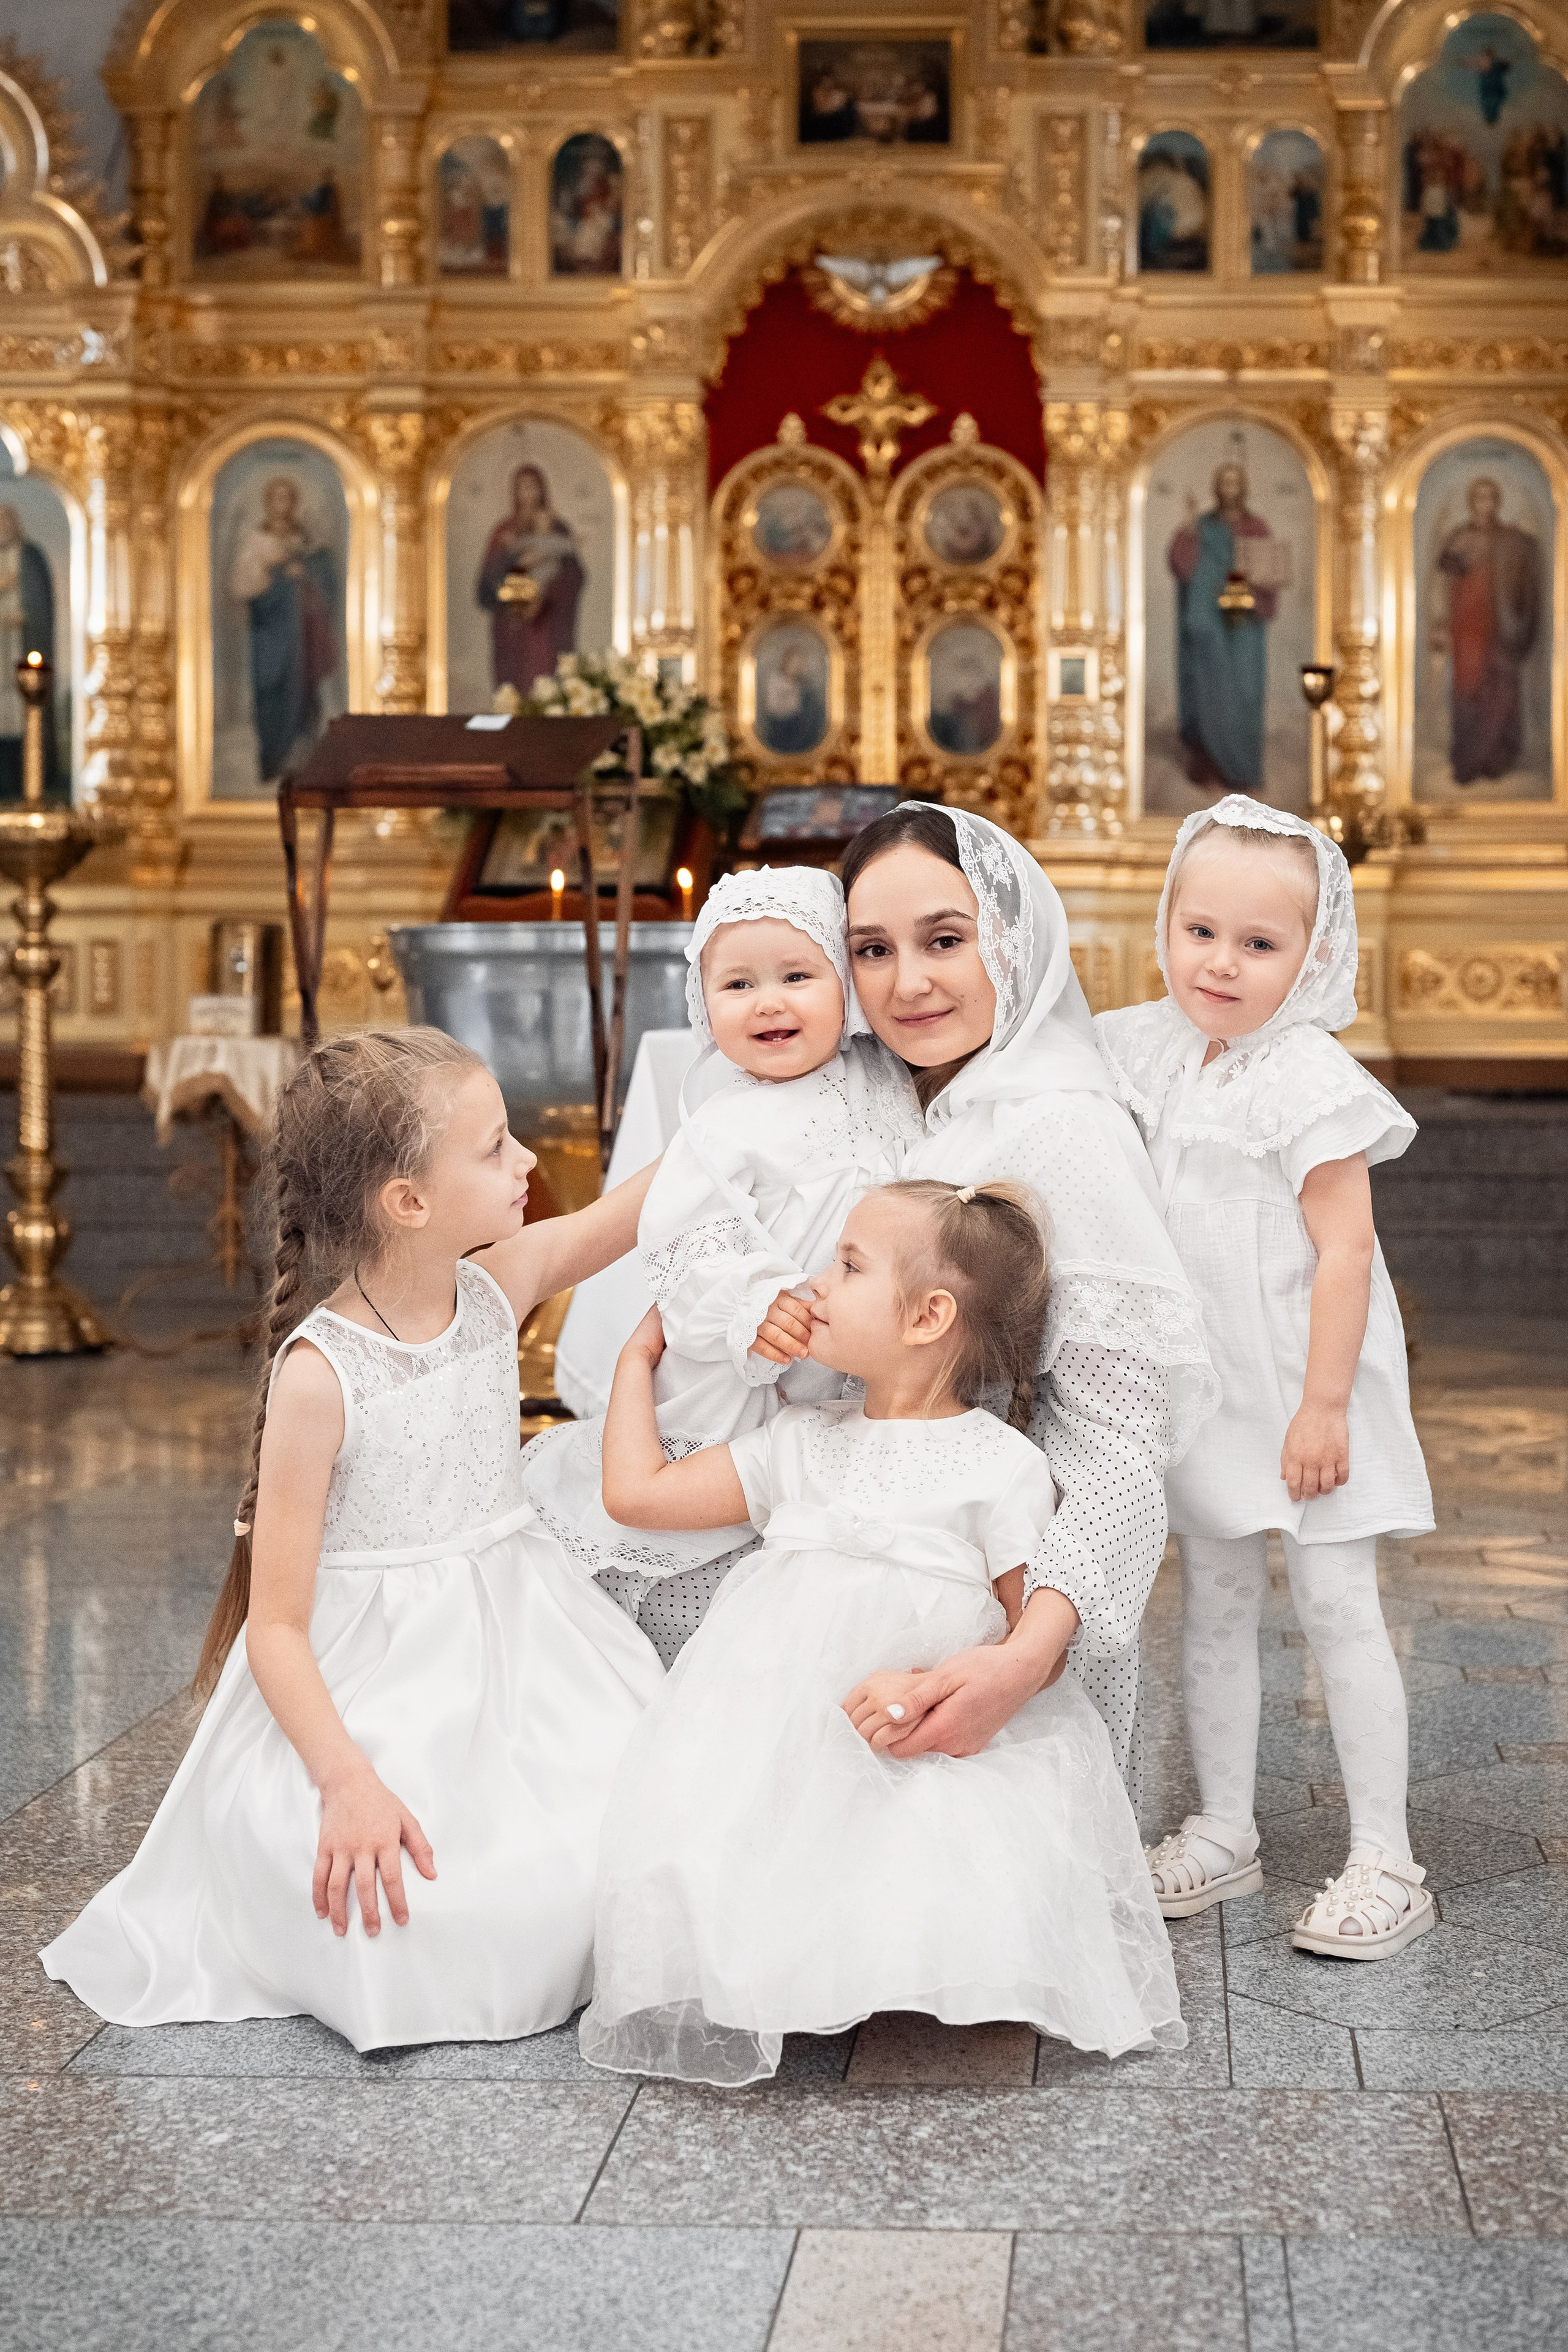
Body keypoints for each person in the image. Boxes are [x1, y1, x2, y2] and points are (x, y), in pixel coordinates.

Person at [42, 1030, 665, 2051]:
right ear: (408, 1202)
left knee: (622, 1842)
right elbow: (277, 1627)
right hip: (379, 1687)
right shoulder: (320, 1378)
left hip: (532, 1642)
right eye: (497, 1146)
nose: (529, 1164)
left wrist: (763, 1096)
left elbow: (617, 1217)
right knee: (448, 1910)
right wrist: (349, 1782)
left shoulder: (492, 1291)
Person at [580, 1180, 1185, 2084]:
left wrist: (935, 1685)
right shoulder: (801, 1441)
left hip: (914, 1736)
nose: (815, 1283)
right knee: (743, 1829)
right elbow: (637, 1496)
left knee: (920, 1848)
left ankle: (907, 1966)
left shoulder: (1001, 1468)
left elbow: (1040, 1649)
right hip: (777, 1725)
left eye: (848, 1264)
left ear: (928, 1315)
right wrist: (634, 1364)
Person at [786, 804, 1219, 1793]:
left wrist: (1024, 1658)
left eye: (945, 939)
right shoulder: (884, 1097)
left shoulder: (1061, 1129)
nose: (909, 982)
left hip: (994, 1604)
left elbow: (1117, 1444)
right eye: (873, 950)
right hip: (854, 1552)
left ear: (1015, 941)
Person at [1096, 799, 1435, 1960]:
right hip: (1211, 1379)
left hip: (1305, 1381)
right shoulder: (1140, 1047)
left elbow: (1344, 1249)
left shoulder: (1307, 1077)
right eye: (1200, 932)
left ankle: (1387, 1856)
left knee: (1340, 1607)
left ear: (1314, 954)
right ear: (1166, 924)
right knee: (1216, 1602)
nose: (1221, 964)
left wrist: (1326, 1404)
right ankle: (1225, 1826)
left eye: (1259, 944)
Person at [523, 867, 922, 1666]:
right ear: (704, 1006)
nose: (768, 1002)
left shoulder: (886, 1084)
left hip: (861, 1367)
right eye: (738, 984)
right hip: (752, 1368)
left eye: (797, 977)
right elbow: (685, 1243)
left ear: (845, 984)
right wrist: (752, 1303)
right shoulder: (724, 1123)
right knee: (728, 1545)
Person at [1167, 461, 1287, 794]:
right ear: (1216, 488)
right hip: (1209, 625)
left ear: (1243, 488)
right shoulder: (1202, 525)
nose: (1229, 489)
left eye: (1235, 483)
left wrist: (1254, 587)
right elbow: (1180, 564)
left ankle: (1242, 770)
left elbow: (1269, 570)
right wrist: (1189, 527)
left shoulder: (1257, 527)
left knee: (1243, 693)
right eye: (1223, 482)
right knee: (1208, 690)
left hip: (1244, 625)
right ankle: (1209, 767)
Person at [1430, 476, 1540, 786]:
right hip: (1466, 629)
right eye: (1479, 497)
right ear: (1471, 502)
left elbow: (1525, 573)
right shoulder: (1459, 538)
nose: (1485, 504)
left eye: (1491, 498)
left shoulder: (1510, 539)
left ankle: (1499, 757)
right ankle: (1469, 758)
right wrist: (1440, 622)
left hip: (1501, 628)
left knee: (1502, 686)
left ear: (1497, 503)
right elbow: (1441, 584)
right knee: (1468, 690)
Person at [228, 477, 339, 783]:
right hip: (269, 633)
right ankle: (274, 757)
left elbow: (324, 581)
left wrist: (305, 573)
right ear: (268, 503)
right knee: (270, 691)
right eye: (276, 499)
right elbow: (242, 587)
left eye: (288, 499)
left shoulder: (306, 540)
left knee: (305, 692)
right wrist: (276, 573)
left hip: (303, 636)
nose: (283, 506)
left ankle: (302, 757)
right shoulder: (255, 540)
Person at [477, 462, 585, 699]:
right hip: (513, 624)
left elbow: (575, 574)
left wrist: (547, 594)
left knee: (546, 685)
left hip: (547, 624)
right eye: (523, 487)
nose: (529, 493)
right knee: (515, 691)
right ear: (514, 491)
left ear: (542, 490)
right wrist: (520, 565)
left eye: (533, 487)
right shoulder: (504, 532)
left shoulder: (559, 529)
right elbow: (487, 583)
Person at [0, 503, 58, 801]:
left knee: (25, 718)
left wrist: (26, 617)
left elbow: (39, 606)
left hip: (21, 653)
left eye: (5, 520)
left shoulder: (29, 556)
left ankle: (29, 784)